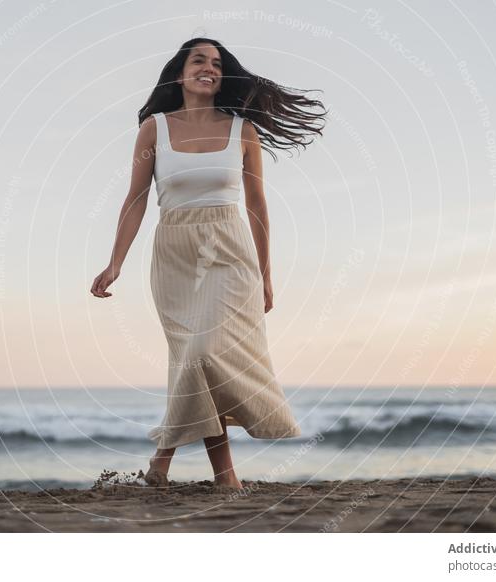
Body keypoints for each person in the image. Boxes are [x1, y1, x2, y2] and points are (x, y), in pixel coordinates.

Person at [90, 38, 326, 489]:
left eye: (217, 63)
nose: (209, 68)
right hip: (174, 253)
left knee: (204, 352)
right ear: (179, 73)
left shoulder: (243, 132)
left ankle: (162, 464)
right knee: (195, 362)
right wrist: (115, 262)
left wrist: (266, 276)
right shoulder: (154, 130)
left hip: (229, 252)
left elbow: (257, 205)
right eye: (199, 60)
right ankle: (223, 479)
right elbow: (136, 198)